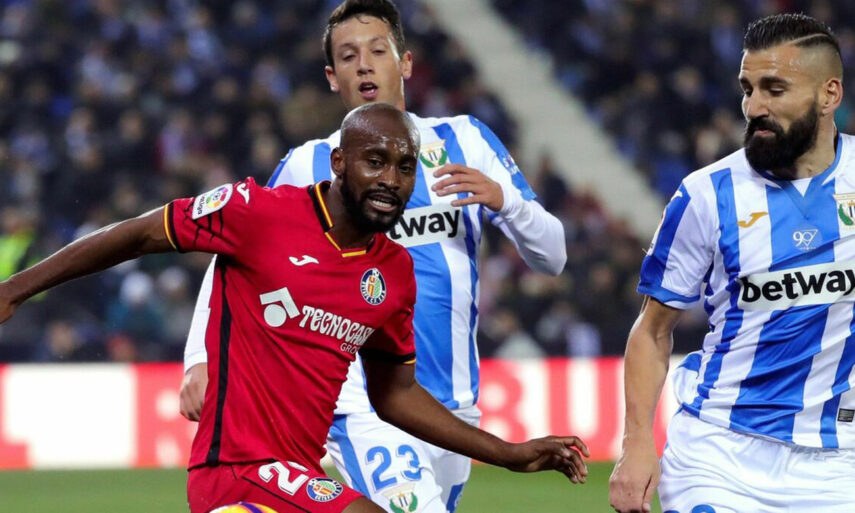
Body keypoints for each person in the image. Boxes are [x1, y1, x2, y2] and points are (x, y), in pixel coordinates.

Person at [0, 103, 589, 513]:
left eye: (405, 166)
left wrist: (509, 454)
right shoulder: (258, 212)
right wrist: (15, 289)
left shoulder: (392, 273)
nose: (391, 179)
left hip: (298, 480)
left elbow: (395, 396)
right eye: (375, 161)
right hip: (235, 472)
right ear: (339, 163)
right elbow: (137, 233)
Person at [179, 2, 568, 512]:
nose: (364, 65)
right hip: (363, 400)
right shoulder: (311, 162)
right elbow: (234, 248)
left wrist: (506, 202)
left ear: (405, 63)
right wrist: (199, 357)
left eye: (378, 51)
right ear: (332, 77)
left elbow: (553, 257)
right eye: (348, 56)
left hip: (452, 403)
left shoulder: (465, 140)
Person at [609, 13, 855, 513]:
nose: (754, 107)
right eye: (748, 89)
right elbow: (652, 331)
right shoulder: (705, 195)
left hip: (839, 463)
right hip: (719, 452)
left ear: (829, 94)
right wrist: (636, 443)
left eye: (775, 89)